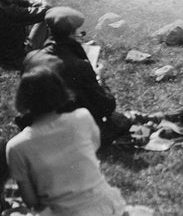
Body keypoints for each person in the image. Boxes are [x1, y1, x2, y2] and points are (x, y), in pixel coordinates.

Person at [23, 7, 183, 144]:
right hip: (68, 137)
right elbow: (106, 106)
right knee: (124, 118)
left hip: (37, 131)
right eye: (79, 33)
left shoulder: (32, 58)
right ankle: (180, 116)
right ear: (72, 33)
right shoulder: (79, 66)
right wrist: (99, 77)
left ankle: (176, 116)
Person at [6, 67, 129, 216]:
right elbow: (93, 147)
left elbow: (31, 201)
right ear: (61, 92)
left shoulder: (16, 146)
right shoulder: (82, 117)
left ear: (21, 99)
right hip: (107, 207)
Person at [0, 0, 49, 71]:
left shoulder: (5, 5)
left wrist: (26, 2)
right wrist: (42, 3)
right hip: (16, 59)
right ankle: (48, 48)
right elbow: (44, 11)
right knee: (44, 19)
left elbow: (13, 1)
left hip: (4, 50)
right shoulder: (11, 12)